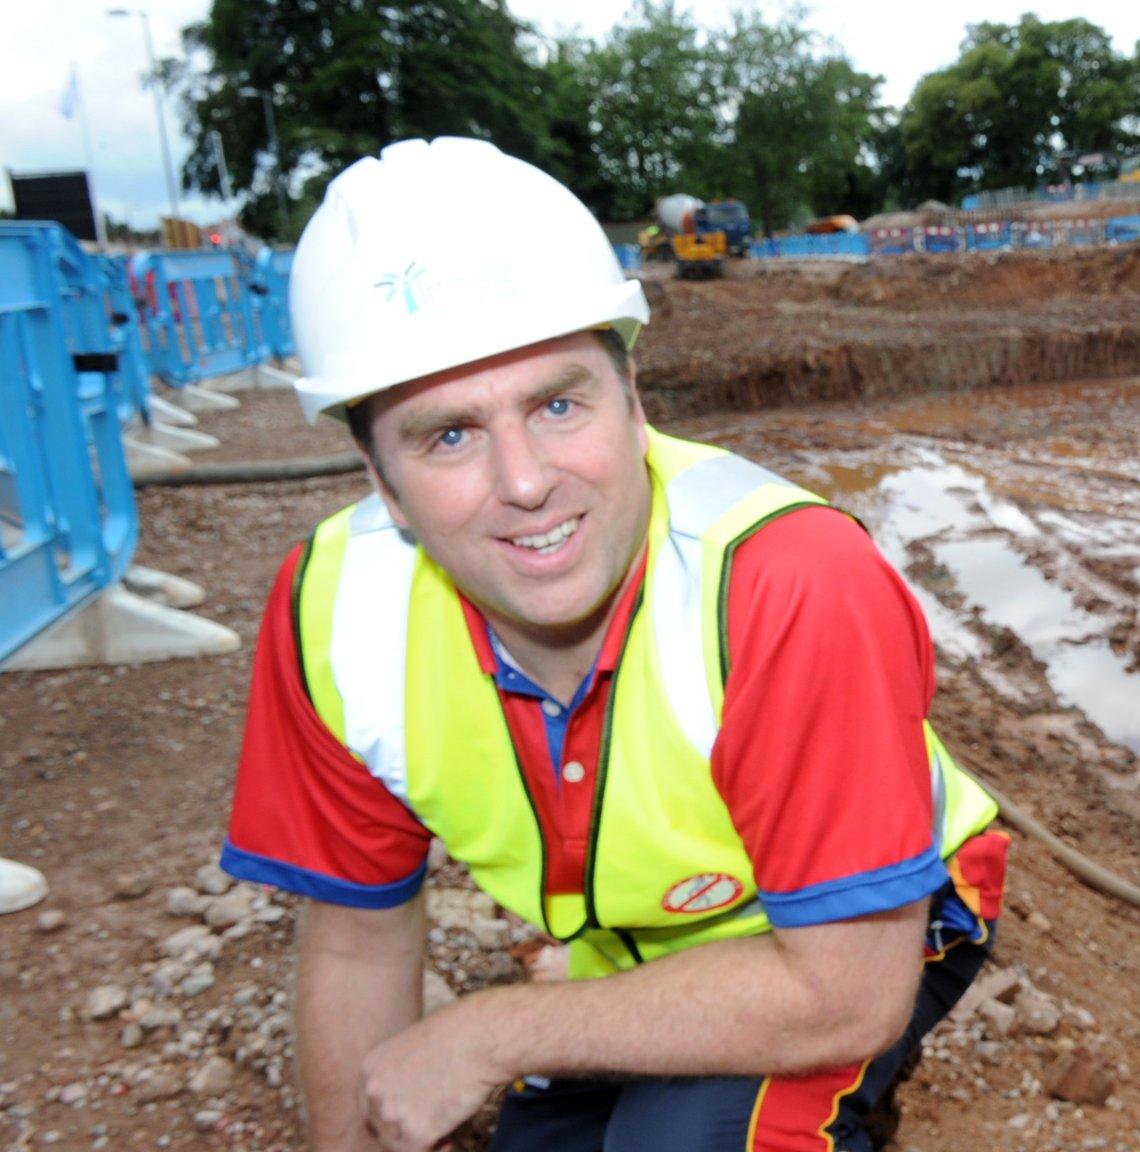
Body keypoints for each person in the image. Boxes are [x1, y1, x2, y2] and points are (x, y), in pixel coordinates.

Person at [217, 137, 1008, 1152]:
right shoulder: (335, 611)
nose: (525, 481)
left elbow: (847, 994)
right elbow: (357, 944)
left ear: (633, 406)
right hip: (635, 952)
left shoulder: (783, 579)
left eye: (557, 404)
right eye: (448, 435)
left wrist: (496, 1030)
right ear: (380, 483)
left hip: (869, 925)